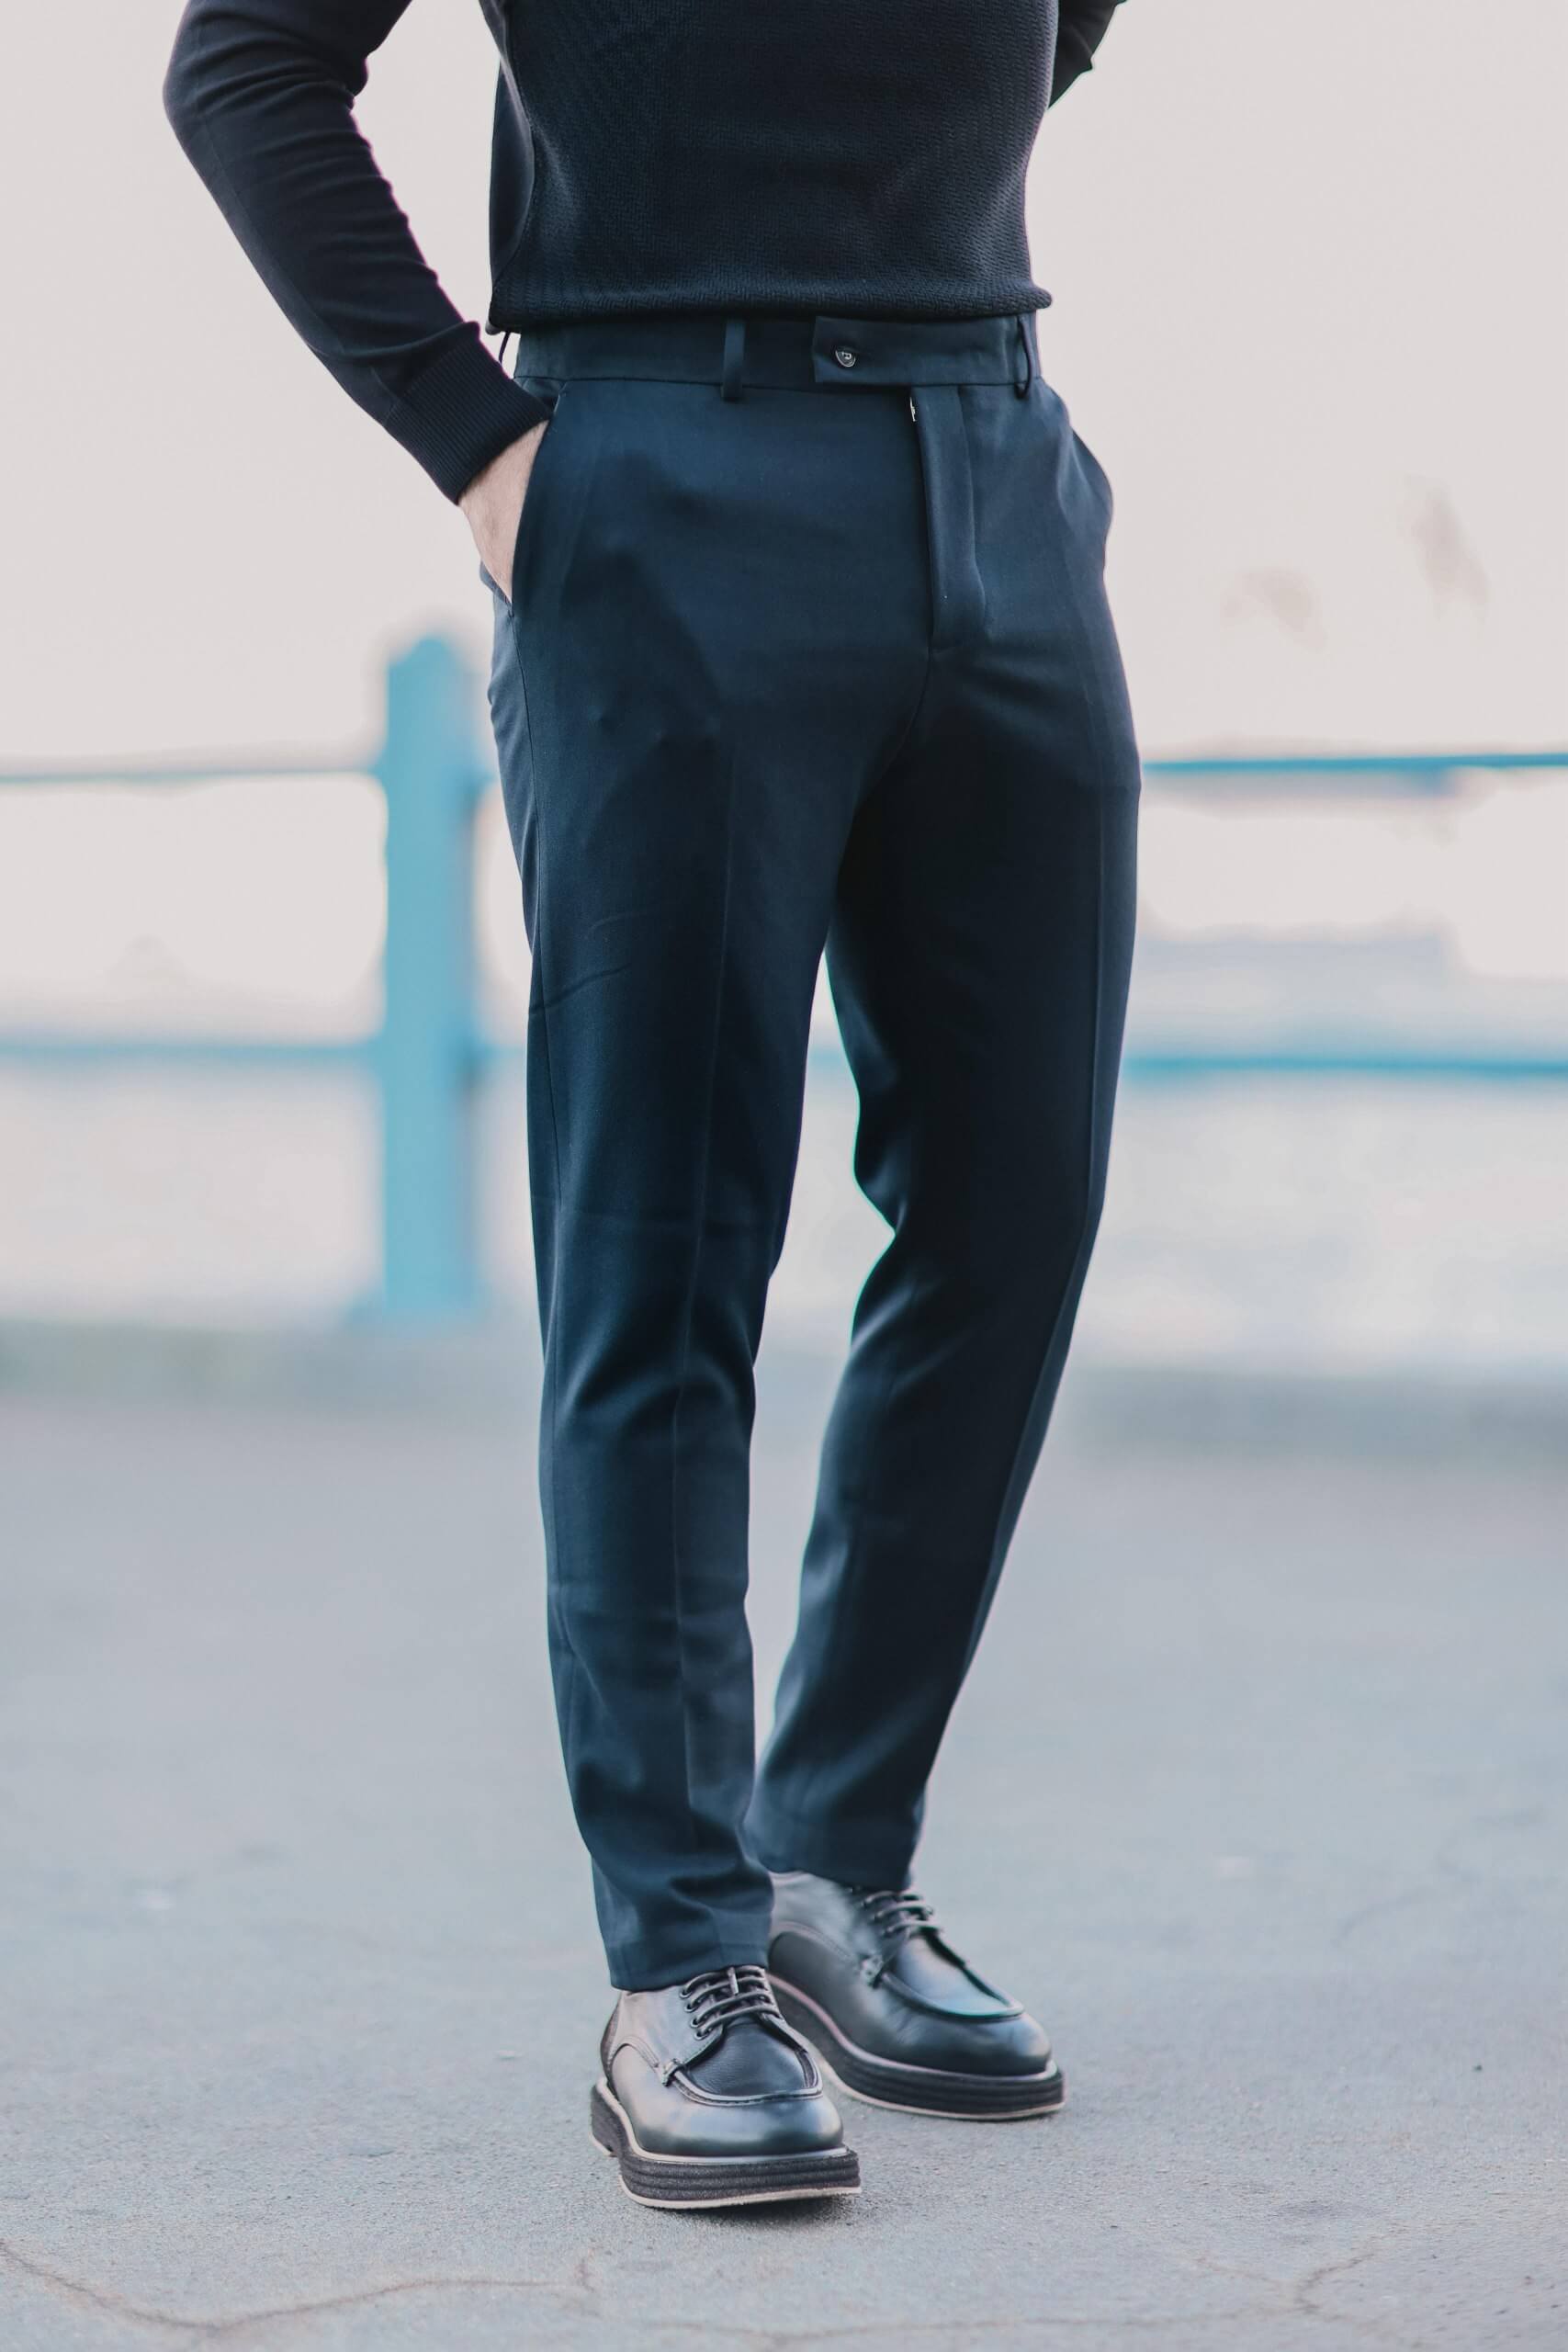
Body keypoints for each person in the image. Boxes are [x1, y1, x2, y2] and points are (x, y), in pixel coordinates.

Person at [164, 0, 1138, 2211]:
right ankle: (675, 1957)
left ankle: (831, 1861)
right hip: (655, 472)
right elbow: (242, 67)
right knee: (663, 1245)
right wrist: (482, 445)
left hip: (990, 454)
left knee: (1016, 1200)